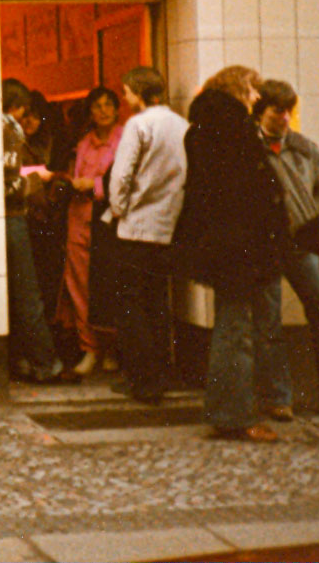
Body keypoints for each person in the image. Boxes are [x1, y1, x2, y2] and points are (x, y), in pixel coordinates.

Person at [175, 65, 289, 441]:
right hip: (238, 245)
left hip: (224, 244)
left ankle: (232, 410)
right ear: (239, 90)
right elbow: (245, 193)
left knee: (233, 324)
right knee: (235, 328)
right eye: (253, 90)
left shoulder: (205, 128)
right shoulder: (232, 128)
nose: (257, 98)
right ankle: (233, 415)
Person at [106, 66, 188, 405]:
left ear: (138, 92)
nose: (125, 99)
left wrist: (119, 209)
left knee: (129, 304)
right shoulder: (182, 125)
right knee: (157, 301)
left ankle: (143, 380)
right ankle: (160, 374)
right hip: (167, 225)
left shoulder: (138, 125)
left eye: (126, 93)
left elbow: (121, 176)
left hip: (136, 226)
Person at [253, 79, 319, 414]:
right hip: (266, 244)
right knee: (268, 321)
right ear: (261, 112)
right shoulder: (248, 149)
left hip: (303, 240)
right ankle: (278, 399)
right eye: (276, 111)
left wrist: (314, 216)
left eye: (288, 111)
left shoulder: (304, 147)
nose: (283, 118)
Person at [57, 86, 123, 375]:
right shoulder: (84, 143)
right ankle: (89, 349)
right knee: (80, 286)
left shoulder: (124, 140)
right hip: (79, 220)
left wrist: (94, 186)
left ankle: (112, 349)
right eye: (98, 106)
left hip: (110, 225)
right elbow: (74, 176)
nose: (104, 111)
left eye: (109, 105)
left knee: (109, 288)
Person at [2, 78, 64, 383]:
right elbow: (11, 185)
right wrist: (38, 177)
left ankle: (22, 360)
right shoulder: (8, 130)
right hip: (14, 217)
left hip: (7, 219)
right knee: (28, 293)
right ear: (16, 106)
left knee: (15, 294)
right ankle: (45, 362)